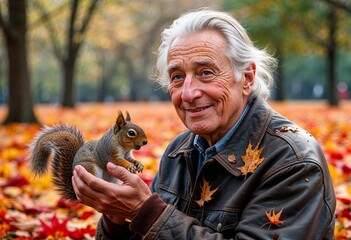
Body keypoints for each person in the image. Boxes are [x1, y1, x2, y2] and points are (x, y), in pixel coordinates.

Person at [72, 8, 336, 239]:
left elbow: (152, 218)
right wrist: (117, 219)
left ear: (246, 77)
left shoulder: (293, 162)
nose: (188, 93)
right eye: (177, 76)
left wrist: (145, 211)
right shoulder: (180, 150)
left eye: (205, 73)